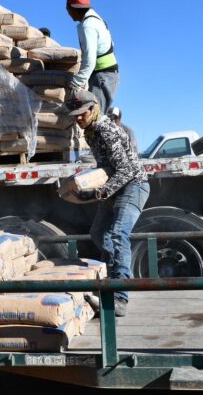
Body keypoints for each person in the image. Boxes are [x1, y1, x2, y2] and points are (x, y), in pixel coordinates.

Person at [64, 90, 149, 316]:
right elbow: (106, 166)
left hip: (133, 185)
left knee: (118, 235)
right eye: (75, 116)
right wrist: (89, 187)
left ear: (94, 109)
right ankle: (115, 277)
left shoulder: (105, 129)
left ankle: (120, 297)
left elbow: (127, 170)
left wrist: (102, 192)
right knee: (99, 233)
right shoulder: (90, 132)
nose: (78, 119)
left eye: (82, 114)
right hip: (115, 186)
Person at [65, 0, 119, 113]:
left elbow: (90, 59)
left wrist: (76, 83)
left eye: (67, 9)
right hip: (103, 75)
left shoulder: (88, 25)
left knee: (93, 117)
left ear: (72, 8)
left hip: (103, 76)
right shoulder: (96, 20)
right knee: (92, 116)